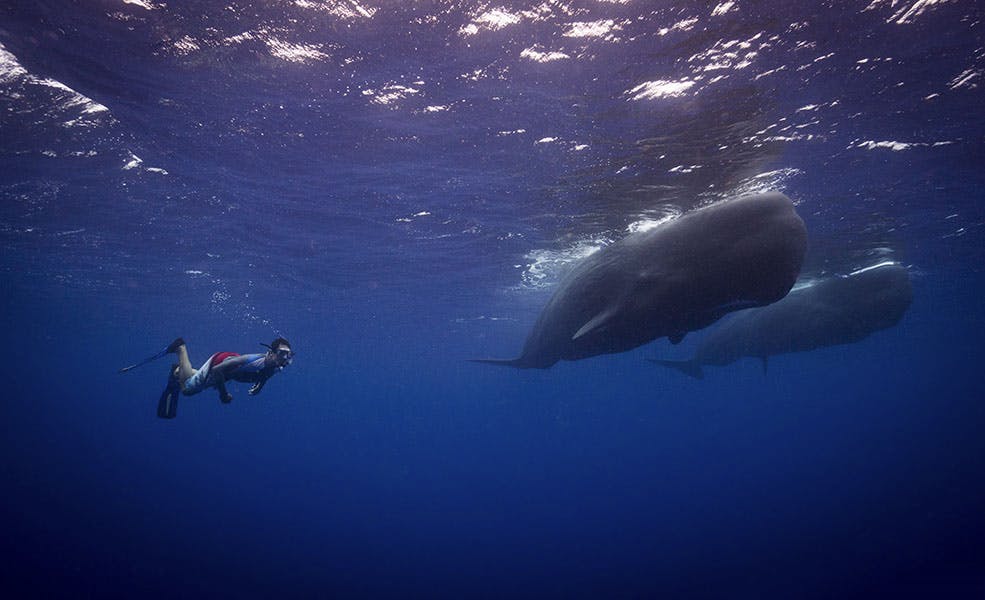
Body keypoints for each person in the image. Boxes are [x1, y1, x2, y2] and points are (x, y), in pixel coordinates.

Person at [166, 337, 294, 404]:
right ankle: (181, 349)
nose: (285, 358)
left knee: (206, 380)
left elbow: (267, 374)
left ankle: (185, 372)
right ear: (270, 353)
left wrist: (260, 386)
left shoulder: (277, 366)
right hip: (219, 363)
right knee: (188, 390)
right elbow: (216, 371)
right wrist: (223, 394)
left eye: (288, 355)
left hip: (230, 370)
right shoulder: (254, 361)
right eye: (281, 353)